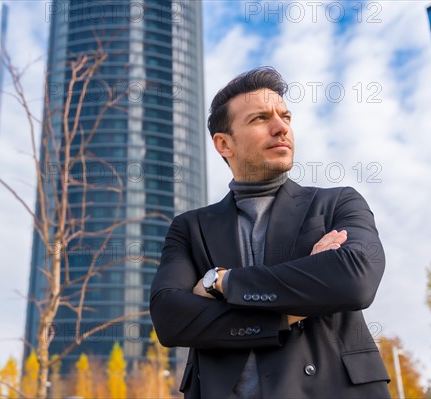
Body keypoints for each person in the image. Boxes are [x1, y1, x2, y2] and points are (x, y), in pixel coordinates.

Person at [149, 67, 390, 398]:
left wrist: (221, 282)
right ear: (224, 144)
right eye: (260, 118)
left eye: (286, 116)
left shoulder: (337, 202)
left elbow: (355, 279)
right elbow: (170, 319)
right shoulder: (190, 227)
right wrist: (303, 298)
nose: (281, 128)